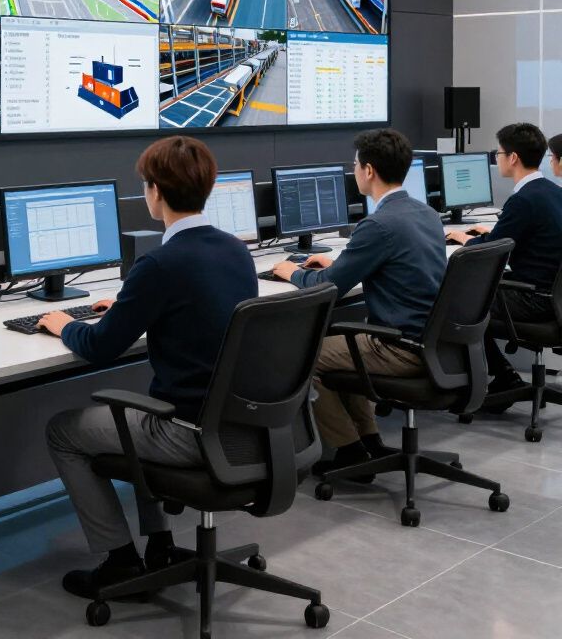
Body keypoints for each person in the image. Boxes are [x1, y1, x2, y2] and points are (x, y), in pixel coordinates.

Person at [42, 136, 258, 600]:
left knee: (63, 430)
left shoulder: (160, 264)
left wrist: (63, 324)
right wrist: (129, 306)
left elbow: (99, 347)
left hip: (190, 432)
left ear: (155, 191)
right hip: (242, 426)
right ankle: (159, 547)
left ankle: (120, 561)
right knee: (144, 408)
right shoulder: (236, 250)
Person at [271, 129, 446, 476]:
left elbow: (326, 287)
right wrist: (340, 263)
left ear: (368, 170)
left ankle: (349, 451)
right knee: (342, 340)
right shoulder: (425, 213)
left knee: (302, 357)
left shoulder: (378, 224)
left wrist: (292, 272)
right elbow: (385, 264)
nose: (353, 171)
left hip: (400, 347)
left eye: (354, 165)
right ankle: (368, 440)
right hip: (432, 343)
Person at [447, 123, 562, 397]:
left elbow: (491, 250)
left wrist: (464, 238)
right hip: (553, 296)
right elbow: (514, 237)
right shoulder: (553, 192)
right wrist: (492, 233)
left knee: (455, 300)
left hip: (535, 300)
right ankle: (502, 374)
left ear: (513, 158)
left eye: (498, 153)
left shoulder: (523, 200)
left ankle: (497, 376)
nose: (497, 159)